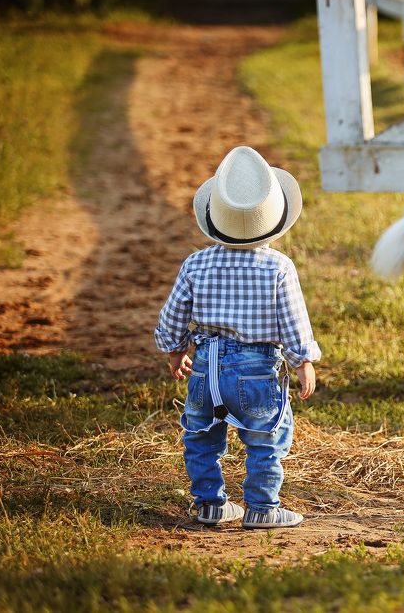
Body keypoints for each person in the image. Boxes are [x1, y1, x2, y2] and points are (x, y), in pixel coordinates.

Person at [155, 146, 321, 529]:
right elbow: (293, 320)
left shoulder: (195, 263)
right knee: (265, 439)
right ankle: (262, 508)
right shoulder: (279, 267)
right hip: (257, 370)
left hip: (205, 367)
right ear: (273, 219)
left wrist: (175, 349)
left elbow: (173, 313)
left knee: (200, 437)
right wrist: (303, 361)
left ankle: (210, 504)